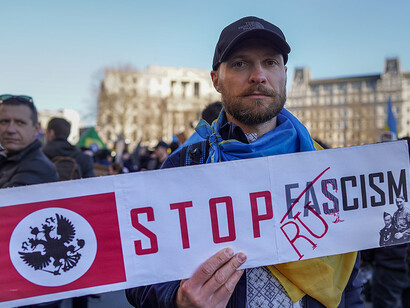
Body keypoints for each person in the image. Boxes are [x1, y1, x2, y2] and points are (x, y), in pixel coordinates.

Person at [126, 16, 363, 308]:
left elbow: (348, 281)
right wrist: (177, 300)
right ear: (216, 80)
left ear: (285, 74)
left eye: (270, 63)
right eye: (240, 63)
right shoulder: (183, 166)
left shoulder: (325, 167)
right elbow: (140, 278)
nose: (258, 75)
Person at [0, 94, 58, 188]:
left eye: (20, 123)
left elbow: (8, 201)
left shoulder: (38, 167)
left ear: (36, 129)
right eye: (4, 122)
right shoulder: (8, 159)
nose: (10, 129)